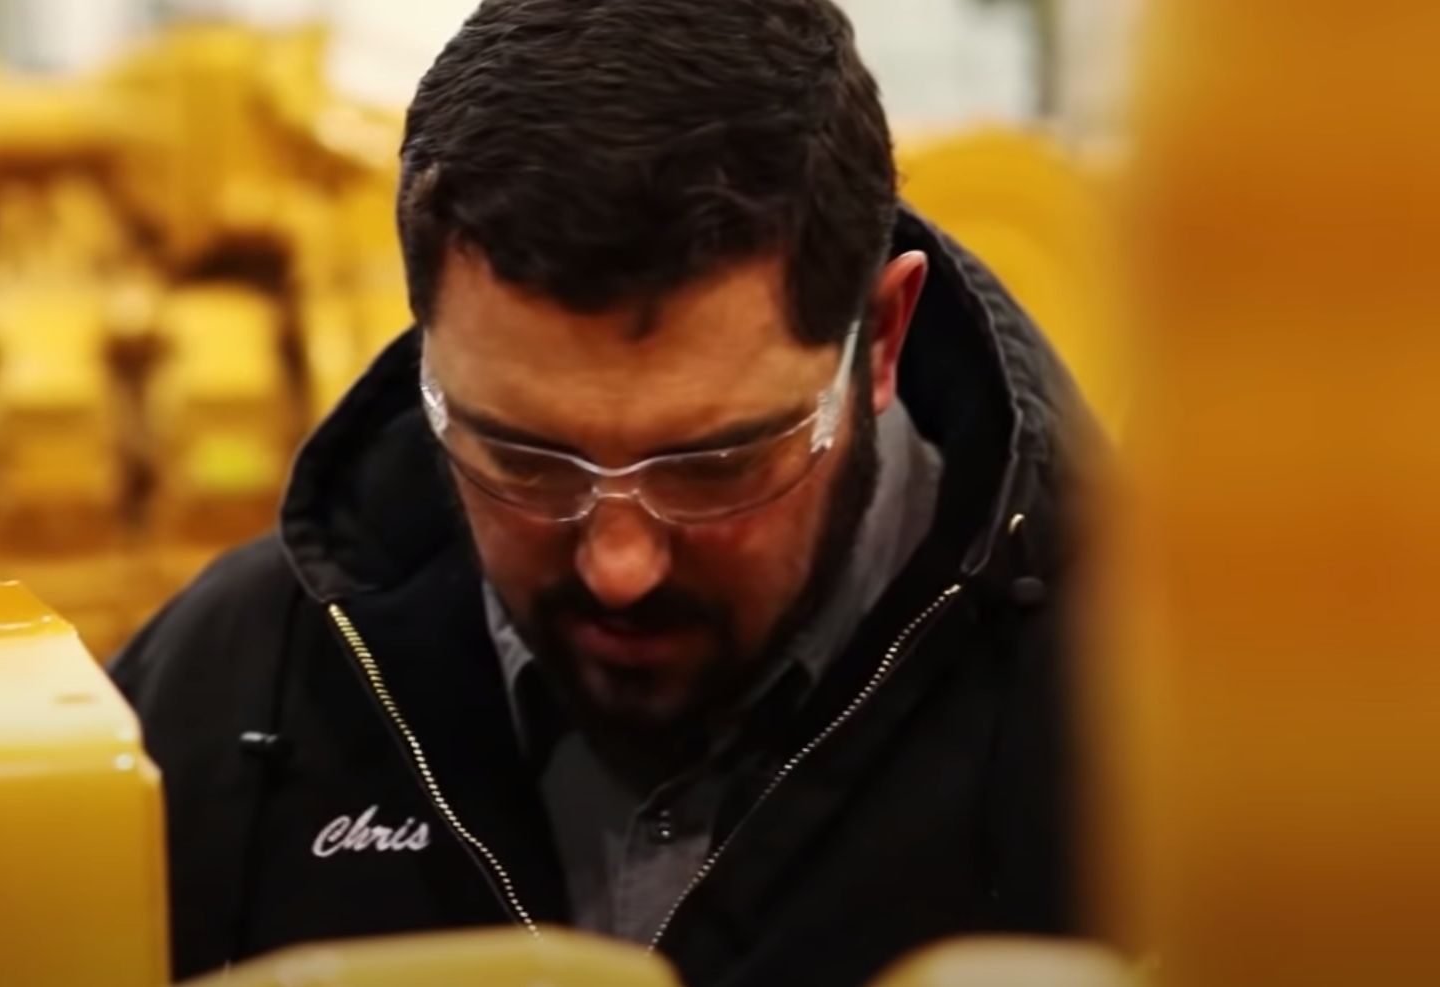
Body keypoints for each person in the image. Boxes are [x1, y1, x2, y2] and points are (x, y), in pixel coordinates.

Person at [111, 0, 1098, 983]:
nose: (618, 566)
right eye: (525, 461)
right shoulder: (230, 691)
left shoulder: (1139, 719)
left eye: (715, 466)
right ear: (428, 350)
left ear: (878, 338)